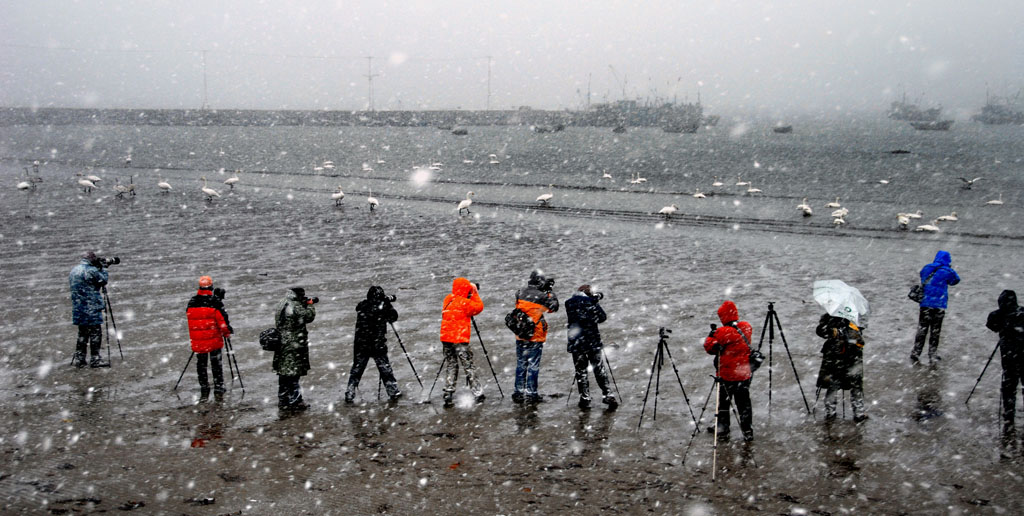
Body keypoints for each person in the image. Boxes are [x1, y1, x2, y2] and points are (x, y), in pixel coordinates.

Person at [703, 300, 754, 441]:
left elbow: (709, 347)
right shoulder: (746, 327)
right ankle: (748, 430)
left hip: (727, 376)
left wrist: (711, 336)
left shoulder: (723, 332)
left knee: (724, 404)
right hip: (744, 374)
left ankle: (723, 429)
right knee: (744, 404)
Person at [345, 286, 401, 403]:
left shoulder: (362, 306)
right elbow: (393, 317)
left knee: (357, 369)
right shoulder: (383, 307)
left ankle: (350, 392)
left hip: (361, 343)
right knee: (385, 369)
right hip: (377, 344)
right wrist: (387, 304)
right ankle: (393, 391)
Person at [564, 285, 617, 410]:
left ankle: (585, 398)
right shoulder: (590, 302)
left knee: (581, 372)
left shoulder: (569, 303)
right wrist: (594, 301)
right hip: (592, 342)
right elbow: (602, 317)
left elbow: (578, 315)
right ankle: (607, 394)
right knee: (599, 369)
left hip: (577, 343)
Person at [512, 270, 560, 404]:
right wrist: (550, 292)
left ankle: (518, 392)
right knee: (533, 365)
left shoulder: (520, 292)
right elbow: (553, 307)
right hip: (535, 334)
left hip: (521, 333)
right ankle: (532, 393)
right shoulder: (542, 296)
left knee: (521, 364)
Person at [439, 277, 485, 406]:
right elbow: (479, 307)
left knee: (451, 364)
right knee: (468, 366)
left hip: (446, 338)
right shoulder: (465, 303)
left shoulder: (448, 299)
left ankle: (448, 392)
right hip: (459, 339)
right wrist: (474, 293)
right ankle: (477, 392)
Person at [986, 290, 1024, 445]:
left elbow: (991, 325)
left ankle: (1008, 417)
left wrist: (1004, 329)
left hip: (1009, 359)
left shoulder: (997, 315)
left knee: (1009, 387)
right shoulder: (1022, 312)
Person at [815, 313, 868, 422]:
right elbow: (820, 331)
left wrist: (845, 333)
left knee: (852, 384)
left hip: (848, 356)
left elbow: (859, 338)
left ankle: (856, 412)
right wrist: (833, 332)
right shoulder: (831, 316)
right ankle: (852, 412)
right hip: (840, 356)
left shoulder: (850, 318)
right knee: (836, 383)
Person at [911, 250, 961, 364]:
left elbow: (922, 276)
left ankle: (916, 352)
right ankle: (932, 354)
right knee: (935, 331)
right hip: (939, 306)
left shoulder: (927, 268)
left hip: (925, 304)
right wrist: (949, 268)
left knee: (922, 329)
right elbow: (955, 280)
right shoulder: (947, 271)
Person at [186, 276, 232, 399]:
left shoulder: (192, 302)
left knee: (201, 364)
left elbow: (190, 318)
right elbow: (222, 322)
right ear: (211, 287)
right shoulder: (214, 302)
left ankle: (204, 386)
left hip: (198, 341)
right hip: (213, 339)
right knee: (216, 364)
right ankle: (218, 386)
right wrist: (227, 333)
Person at [274, 287, 317, 411]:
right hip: (293, 343)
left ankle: (283, 400)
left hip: (282, 341)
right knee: (294, 373)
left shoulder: (283, 302)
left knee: (283, 373)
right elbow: (309, 316)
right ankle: (296, 401)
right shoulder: (295, 305)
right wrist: (310, 305)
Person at [68, 251, 110, 368]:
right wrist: (103, 268)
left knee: (82, 334)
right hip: (91, 307)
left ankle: (80, 359)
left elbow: (86, 284)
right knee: (95, 333)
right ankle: (95, 359)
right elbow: (103, 280)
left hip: (78, 307)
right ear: (92, 259)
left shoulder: (74, 270)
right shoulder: (91, 271)